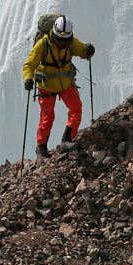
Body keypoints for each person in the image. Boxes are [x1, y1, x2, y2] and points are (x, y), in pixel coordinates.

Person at [23, 16, 94, 158]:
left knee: (76, 109)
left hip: (65, 83)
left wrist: (88, 50)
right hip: (47, 85)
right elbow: (29, 65)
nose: (61, 42)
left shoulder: (71, 42)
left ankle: (67, 141)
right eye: (58, 38)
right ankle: (41, 148)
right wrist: (28, 79)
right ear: (53, 33)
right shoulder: (42, 44)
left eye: (64, 39)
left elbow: (83, 52)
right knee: (47, 117)